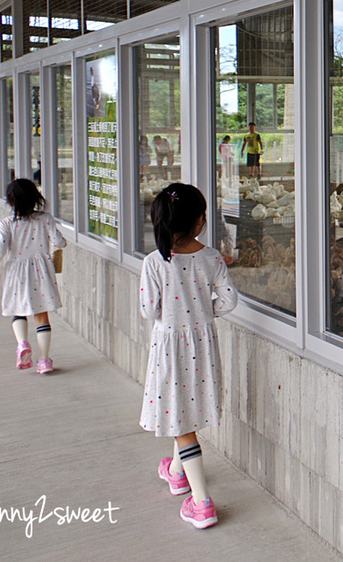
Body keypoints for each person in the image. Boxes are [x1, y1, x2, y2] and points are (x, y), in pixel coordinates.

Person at [140, 183, 237, 529]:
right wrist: (203, 312)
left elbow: (149, 309)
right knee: (188, 414)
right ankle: (176, 473)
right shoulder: (211, 258)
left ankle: (202, 503)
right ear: (200, 221)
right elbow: (228, 301)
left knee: (182, 424)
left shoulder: (155, 262)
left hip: (169, 347)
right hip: (202, 346)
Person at [0, 178, 67, 373]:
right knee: (41, 315)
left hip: (16, 271)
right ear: (35, 197)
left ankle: (22, 344)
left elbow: (0, 248)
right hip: (41, 271)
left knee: (18, 310)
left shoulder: (7, 223)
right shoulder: (45, 219)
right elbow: (58, 241)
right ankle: (44, 360)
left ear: (11, 201)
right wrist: (61, 245)